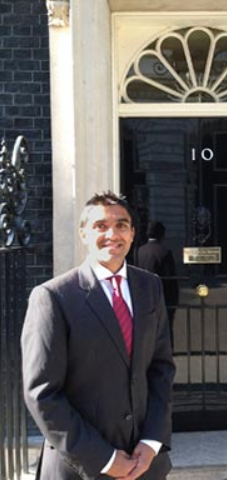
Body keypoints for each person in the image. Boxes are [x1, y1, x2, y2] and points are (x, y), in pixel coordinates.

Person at [21, 191, 175, 480]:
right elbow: (43, 394)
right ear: (83, 234)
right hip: (81, 468)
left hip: (145, 466)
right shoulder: (54, 297)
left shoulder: (150, 287)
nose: (111, 234)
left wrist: (152, 441)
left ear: (132, 234)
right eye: (100, 226)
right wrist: (103, 458)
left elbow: (161, 368)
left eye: (121, 225)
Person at [137, 221, 179, 347]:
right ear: (162, 234)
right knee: (165, 327)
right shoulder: (165, 252)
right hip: (163, 297)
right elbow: (170, 278)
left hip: (145, 297)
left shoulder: (140, 251)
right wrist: (174, 299)